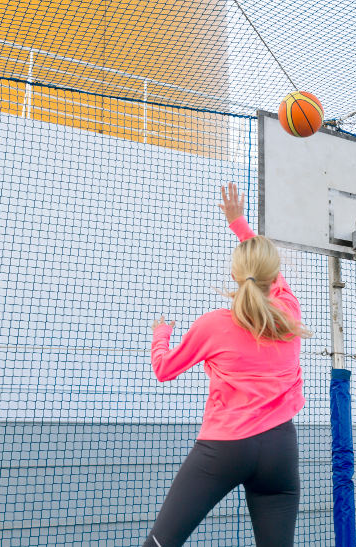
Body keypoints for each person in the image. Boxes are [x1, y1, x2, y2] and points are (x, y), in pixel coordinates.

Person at [143, 182, 310, 547]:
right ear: (273, 276)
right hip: (281, 449)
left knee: (161, 543)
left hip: (226, 449)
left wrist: (161, 334)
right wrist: (240, 225)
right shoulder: (290, 314)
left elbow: (164, 369)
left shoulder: (213, 325)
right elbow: (270, 276)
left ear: (235, 275)